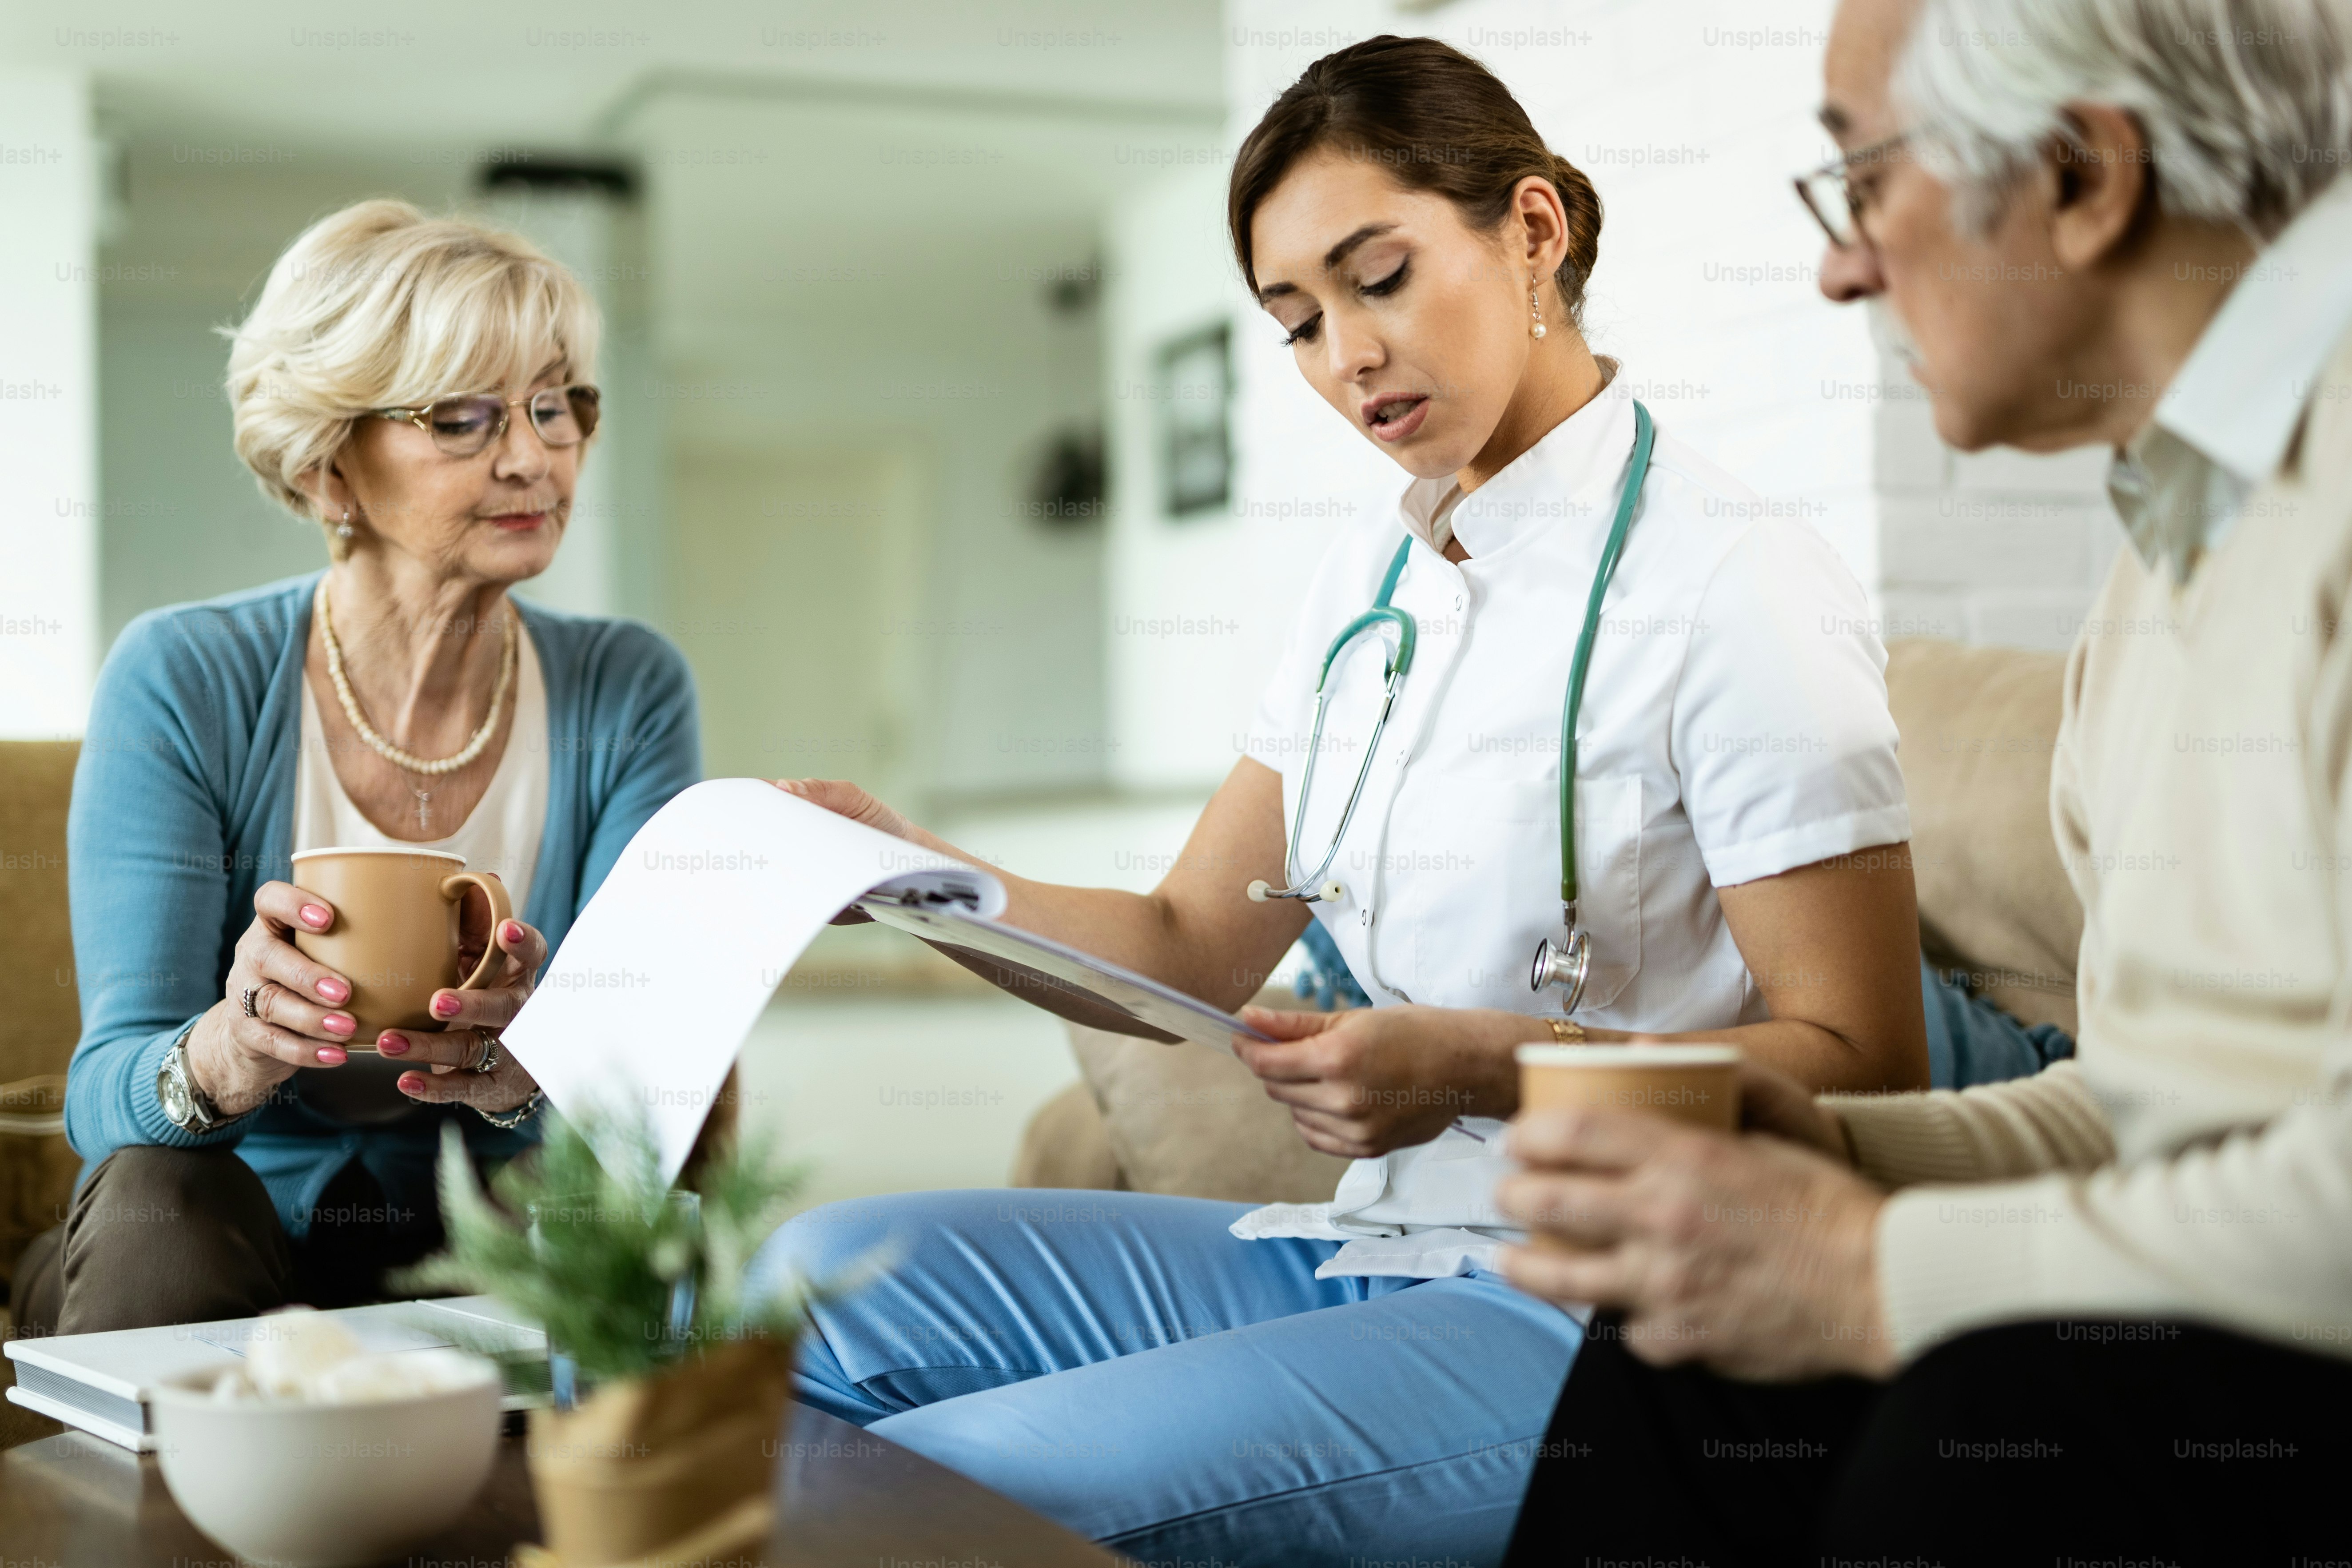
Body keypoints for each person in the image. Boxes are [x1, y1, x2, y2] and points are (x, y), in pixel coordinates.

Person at [752, 37, 1928, 1566]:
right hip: (1373, 1243)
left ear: (1530, 232)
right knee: (787, 1290)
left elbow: (1864, 1062)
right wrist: (911, 875)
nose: (1344, 358)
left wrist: (1487, 1065)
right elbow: (1184, 945)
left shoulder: (1733, 580)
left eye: (1378, 278)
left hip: (1599, 1308)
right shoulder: (1363, 585)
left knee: (933, 1493)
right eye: (1296, 321)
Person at [1497, 1, 2352, 1562]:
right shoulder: (2168, 557)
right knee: (1689, 1362)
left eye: (1863, 181)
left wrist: (1870, 1271)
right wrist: (1838, 1157)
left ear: (2083, 173)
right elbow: (2158, 1114)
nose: (1841, 266)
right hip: (2238, 1319)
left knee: (1990, 1442)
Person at [14, 201, 700, 1337]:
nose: (533, 455)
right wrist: (229, 1051)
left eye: (554, 405)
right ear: (335, 464)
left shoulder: (630, 688)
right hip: (217, 1231)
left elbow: (642, 1081)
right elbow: (104, 1090)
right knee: (157, 1196)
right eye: (465, 418)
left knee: (619, 1237)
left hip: (482, 1223)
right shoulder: (185, 672)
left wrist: (536, 1060)